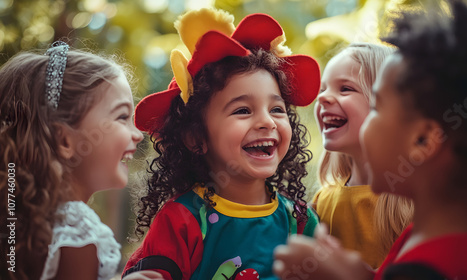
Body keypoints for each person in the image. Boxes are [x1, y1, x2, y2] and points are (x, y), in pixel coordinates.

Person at [273, 1, 467, 279]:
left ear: (423, 140)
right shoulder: (432, 236)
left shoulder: (436, 265)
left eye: (377, 107)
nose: (323, 99)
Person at [122, 8, 321, 280]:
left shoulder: (300, 222)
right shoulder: (181, 219)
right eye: (242, 111)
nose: (267, 122)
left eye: (277, 109)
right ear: (196, 138)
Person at [0, 42, 145, 280]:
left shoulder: (22, 224)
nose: (138, 134)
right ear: (64, 140)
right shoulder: (77, 232)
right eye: (122, 116)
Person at [312, 42, 413, 268]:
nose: (323, 98)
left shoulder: (419, 202)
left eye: (345, 88)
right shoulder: (319, 205)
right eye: (322, 89)